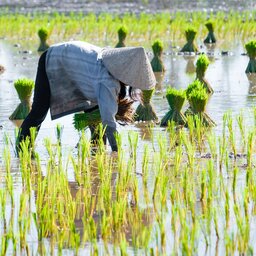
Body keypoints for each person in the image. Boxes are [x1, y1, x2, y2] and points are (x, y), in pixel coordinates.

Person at [16, 41, 156, 153]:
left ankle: (96, 151)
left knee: (95, 117)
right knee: (39, 111)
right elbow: (109, 120)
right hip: (53, 59)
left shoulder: (109, 63)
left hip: (71, 62)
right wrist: (117, 151)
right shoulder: (107, 81)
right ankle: (21, 149)